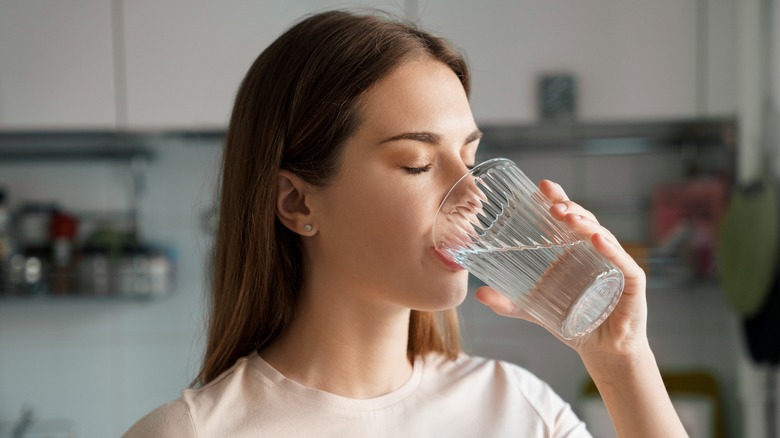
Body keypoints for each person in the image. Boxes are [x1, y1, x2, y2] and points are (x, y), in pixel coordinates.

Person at [125, 9, 687, 437]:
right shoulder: (192, 432)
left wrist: (620, 361)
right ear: (297, 204)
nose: (472, 193)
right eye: (417, 163)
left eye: (468, 159)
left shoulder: (517, 409)